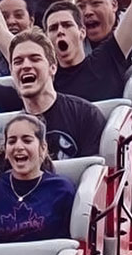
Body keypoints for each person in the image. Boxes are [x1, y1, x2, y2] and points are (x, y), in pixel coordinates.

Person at [0, 114, 76, 245]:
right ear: (6, 150)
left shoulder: (62, 189)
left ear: (43, 148)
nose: (18, 147)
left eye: (27, 140)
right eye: (12, 141)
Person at [9, 29, 106, 158]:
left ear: (53, 67)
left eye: (35, 59)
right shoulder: (13, 133)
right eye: (18, 62)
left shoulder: (86, 115)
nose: (25, 66)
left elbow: (95, 167)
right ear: (11, 71)